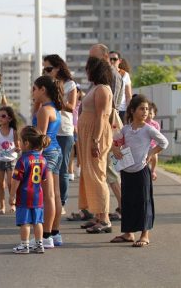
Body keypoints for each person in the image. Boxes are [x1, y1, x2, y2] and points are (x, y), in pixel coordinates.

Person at [110, 95, 168, 247]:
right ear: (132, 110)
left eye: (147, 109)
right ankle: (128, 233)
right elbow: (114, 141)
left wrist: (151, 152)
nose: (145, 112)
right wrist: (115, 149)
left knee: (144, 201)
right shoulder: (126, 129)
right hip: (126, 170)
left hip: (141, 170)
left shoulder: (149, 129)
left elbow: (164, 142)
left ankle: (145, 234)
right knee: (127, 201)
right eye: (142, 109)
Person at [78, 56, 113, 234]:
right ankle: (98, 215)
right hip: (88, 134)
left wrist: (95, 140)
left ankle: (105, 218)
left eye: (89, 68)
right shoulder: (96, 88)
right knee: (89, 174)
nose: (86, 72)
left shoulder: (103, 90)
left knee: (98, 174)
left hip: (95, 135)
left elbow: (101, 117)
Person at [89, 44, 123, 223]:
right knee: (105, 170)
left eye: (93, 57)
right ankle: (99, 213)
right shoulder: (102, 75)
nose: (90, 60)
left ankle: (121, 207)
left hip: (106, 127)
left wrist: (102, 134)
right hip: (103, 127)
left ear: (104, 56)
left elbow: (109, 109)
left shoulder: (110, 75)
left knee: (107, 170)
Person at [43, 55, 77, 216]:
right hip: (48, 130)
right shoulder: (46, 84)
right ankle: (48, 201)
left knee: (62, 168)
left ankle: (61, 202)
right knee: (47, 168)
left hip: (64, 130)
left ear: (58, 68)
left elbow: (72, 107)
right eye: (45, 69)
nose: (46, 72)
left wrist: (57, 99)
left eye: (49, 69)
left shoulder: (70, 84)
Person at [31, 75, 63, 248]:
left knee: (47, 196)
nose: (32, 92)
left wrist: (35, 159)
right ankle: (55, 233)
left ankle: (46, 236)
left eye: (34, 89)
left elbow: (41, 138)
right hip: (56, 151)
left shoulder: (44, 110)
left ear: (43, 89)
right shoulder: (52, 108)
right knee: (55, 194)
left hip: (47, 153)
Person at [9, 126, 50, 254]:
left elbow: (16, 180)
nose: (19, 143)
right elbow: (44, 179)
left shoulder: (22, 161)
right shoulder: (43, 160)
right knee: (38, 221)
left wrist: (12, 196)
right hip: (38, 196)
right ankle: (39, 244)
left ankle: (24, 245)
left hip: (24, 196)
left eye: (20, 141)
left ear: (26, 143)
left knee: (25, 222)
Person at [0, 106, 20, 214]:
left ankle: (12, 204)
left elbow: (17, 145)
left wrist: (18, 148)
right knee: (1, 184)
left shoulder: (13, 132)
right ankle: (2, 206)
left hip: (11, 160)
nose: (0, 118)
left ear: (9, 119)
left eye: (3, 116)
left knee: (11, 183)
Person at [110, 51, 132, 123]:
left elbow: (128, 95)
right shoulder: (104, 74)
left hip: (121, 110)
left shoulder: (125, 74)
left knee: (120, 132)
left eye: (114, 59)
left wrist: (129, 112)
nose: (112, 61)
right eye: (110, 59)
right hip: (107, 108)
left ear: (120, 61)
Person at [146, 102, 161, 173]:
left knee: (155, 156)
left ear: (154, 114)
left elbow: (157, 135)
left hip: (152, 144)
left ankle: (153, 170)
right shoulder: (142, 123)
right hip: (144, 145)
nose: (149, 115)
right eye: (147, 112)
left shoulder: (155, 124)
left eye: (151, 113)